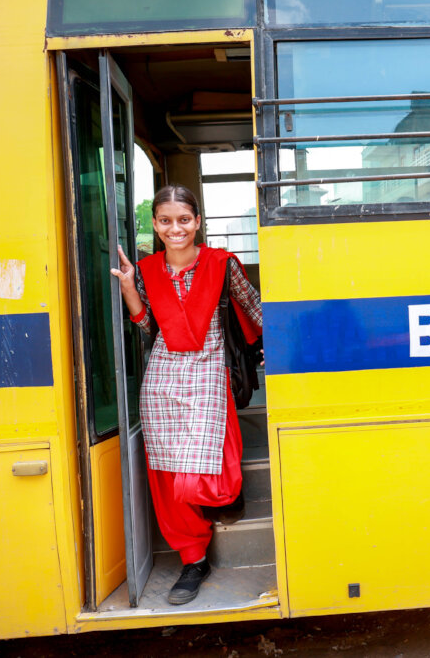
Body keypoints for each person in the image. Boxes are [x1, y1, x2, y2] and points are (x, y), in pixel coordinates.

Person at [111, 184, 262, 605]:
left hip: (210, 372)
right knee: (166, 477)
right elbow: (148, 327)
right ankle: (193, 559)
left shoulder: (222, 264)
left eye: (183, 219)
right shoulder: (145, 270)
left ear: (197, 221)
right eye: (165, 221)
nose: (174, 228)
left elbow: (256, 310)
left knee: (196, 480)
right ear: (155, 224)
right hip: (162, 379)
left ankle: (224, 501)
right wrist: (129, 288)